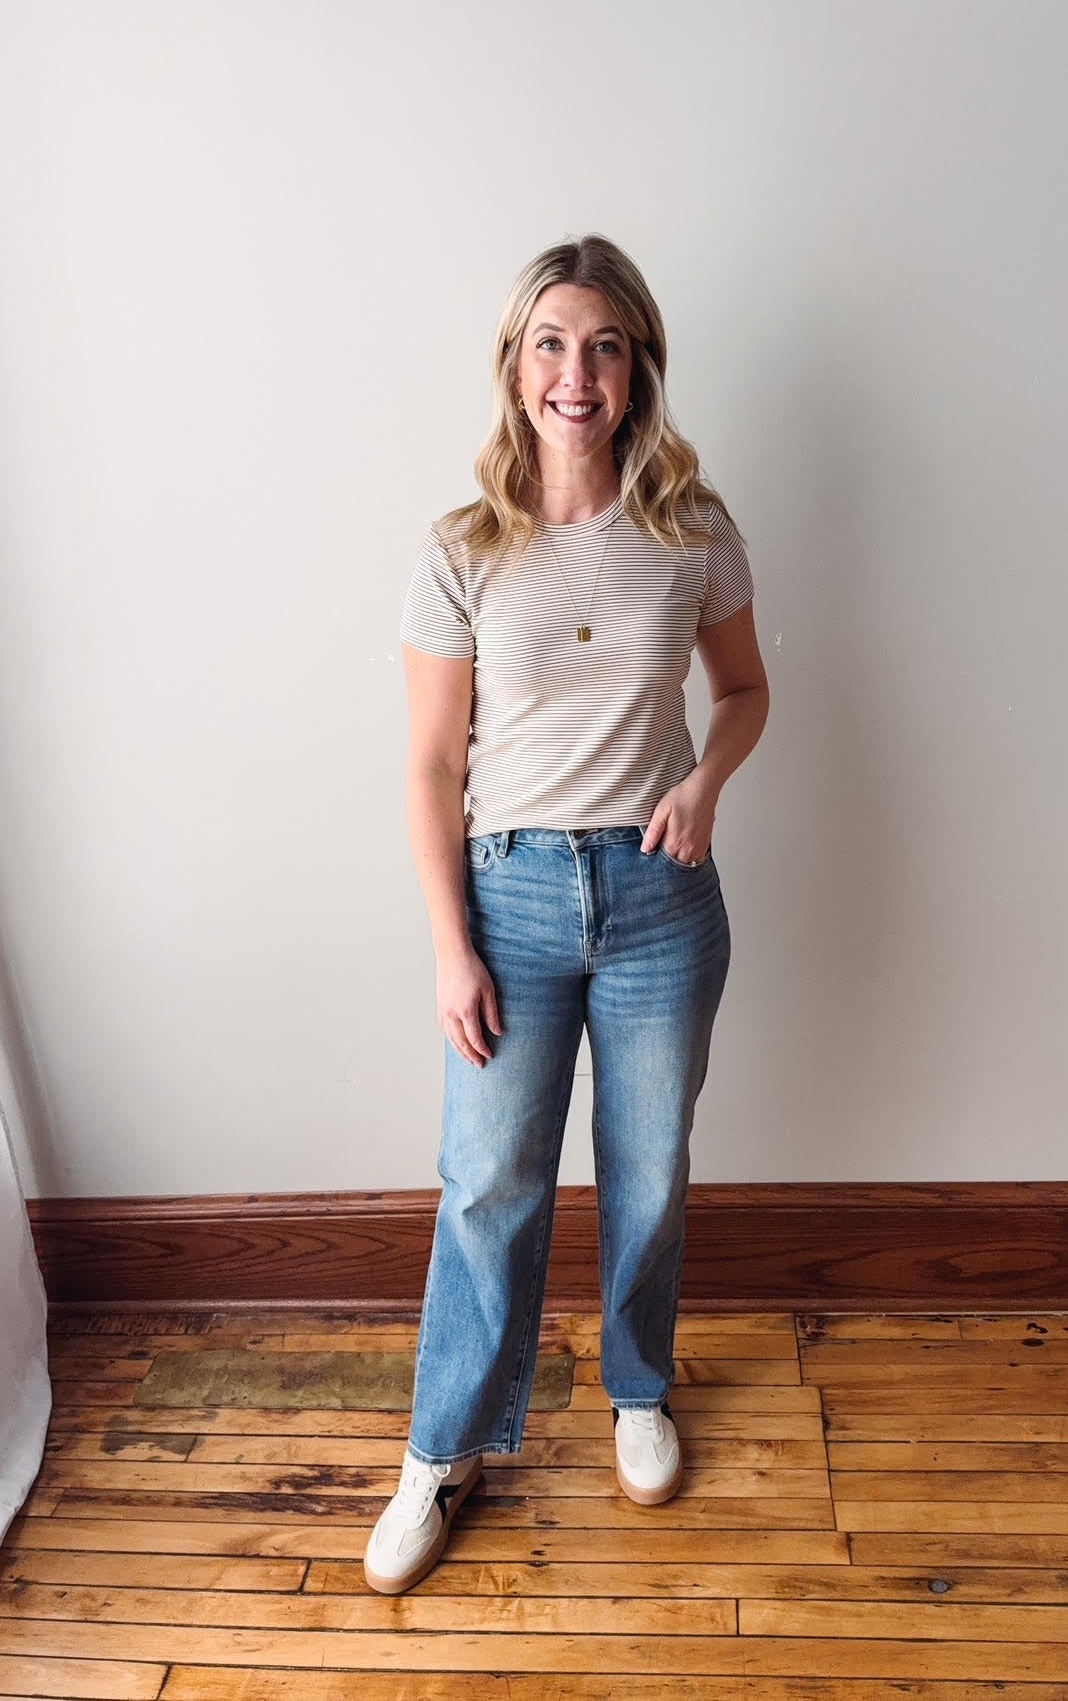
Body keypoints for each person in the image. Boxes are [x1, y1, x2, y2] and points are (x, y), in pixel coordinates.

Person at [364, 233, 769, 1595]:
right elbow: (429, 763)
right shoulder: (461, 545)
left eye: (602, 344)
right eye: (550, 343)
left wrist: (708, 779)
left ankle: (638, 1385)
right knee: (489, 1180)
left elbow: (748, 692)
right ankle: (445, 1445)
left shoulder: (692, 526)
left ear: (638, 362)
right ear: (515, 364)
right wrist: (448, 942)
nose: (575, 372)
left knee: (649, 1170)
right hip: (512, 897)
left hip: (660, 897)